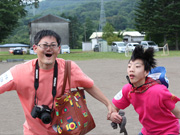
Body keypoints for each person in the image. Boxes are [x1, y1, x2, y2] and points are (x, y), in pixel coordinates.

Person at [0, 30, 116, 135]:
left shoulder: (69, 68)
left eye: (53, 45)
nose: (49, 48)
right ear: (35, 48)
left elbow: (88, 85)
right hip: (32, 132)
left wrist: (108, 104)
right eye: (44, 45)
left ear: (59, 49)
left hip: (64, 130)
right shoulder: (19, 71)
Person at [109, 46, 180, 135]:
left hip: (168, 131)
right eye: (129, 66)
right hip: (147, 131)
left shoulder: (159, 91)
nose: (131, 69)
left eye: (137, 66)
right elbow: (112, 108)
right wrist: (113, 115)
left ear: (146, 72)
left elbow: (178, 114)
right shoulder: (127, 90)